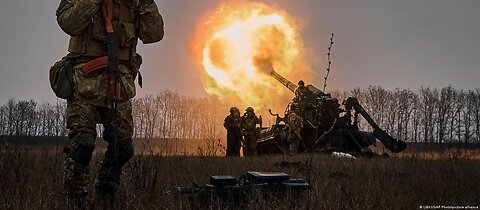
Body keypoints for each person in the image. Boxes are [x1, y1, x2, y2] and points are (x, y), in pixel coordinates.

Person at [56, 0, 164, 208]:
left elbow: (154, 34)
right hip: (85, 81)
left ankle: (105, 192)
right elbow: (68, 23)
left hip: (119, 82)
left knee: (123, 147)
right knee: (83, 143)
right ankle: (75, 198)